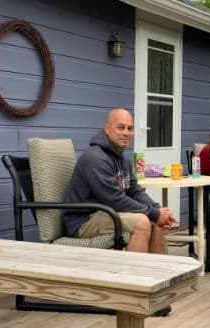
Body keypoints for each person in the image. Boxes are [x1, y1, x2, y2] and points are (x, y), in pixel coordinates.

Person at [63, 108, 177, 253]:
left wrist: (157, 210)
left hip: (107, 212)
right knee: (142, 223)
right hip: (84, 220)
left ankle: (152, 274)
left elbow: (134, 191)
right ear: (107, 128)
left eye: (130, 129)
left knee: (157, 221)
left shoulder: (123, 159)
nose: (126, 133)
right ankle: (134, 275)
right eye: (121, 127)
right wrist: (153, 213)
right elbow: (115, 199)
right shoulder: (96, 158)